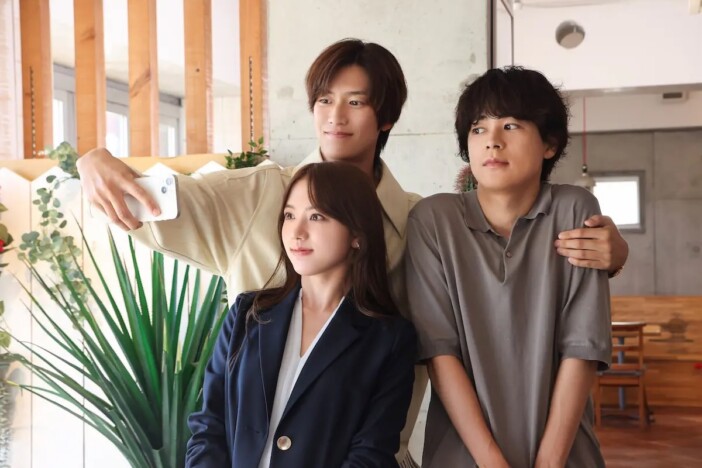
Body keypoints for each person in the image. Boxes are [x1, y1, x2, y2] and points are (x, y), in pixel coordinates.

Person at [77, 39, 627, 465]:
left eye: (356, 102)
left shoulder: (415, 220)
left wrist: (613, 252)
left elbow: (490, 293)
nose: (335, 116)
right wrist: (93, 161)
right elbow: (146, 208)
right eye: (324, 100)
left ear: (386, 118)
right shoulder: (257, 196)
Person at [405, 66, 613, 468]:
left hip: (566, 455)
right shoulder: (432, 220)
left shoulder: (574, 209)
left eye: (511, 125)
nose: (492, 141)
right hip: (462, 457)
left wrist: (549, 462)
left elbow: (582, 347)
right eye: (478, 128)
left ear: (549, 144)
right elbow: (439, 352)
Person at [186, 162, 416, 467]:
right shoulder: (248, 314)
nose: (296, 232)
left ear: (357, 234)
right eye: (289, 215)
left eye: (316, 216)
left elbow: (371, 453)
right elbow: (208, 426)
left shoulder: (389, 340)